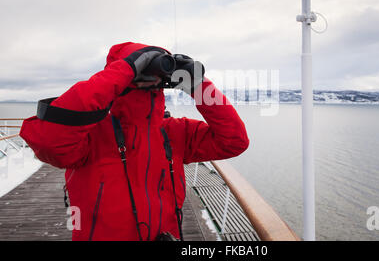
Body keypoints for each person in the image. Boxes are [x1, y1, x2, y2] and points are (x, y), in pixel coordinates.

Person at [19, 42, 249, 241]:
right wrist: (124, 69)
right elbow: (48, 140)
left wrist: (199, 85)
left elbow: (234, 141)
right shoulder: (89, 135)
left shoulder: (176, 132)